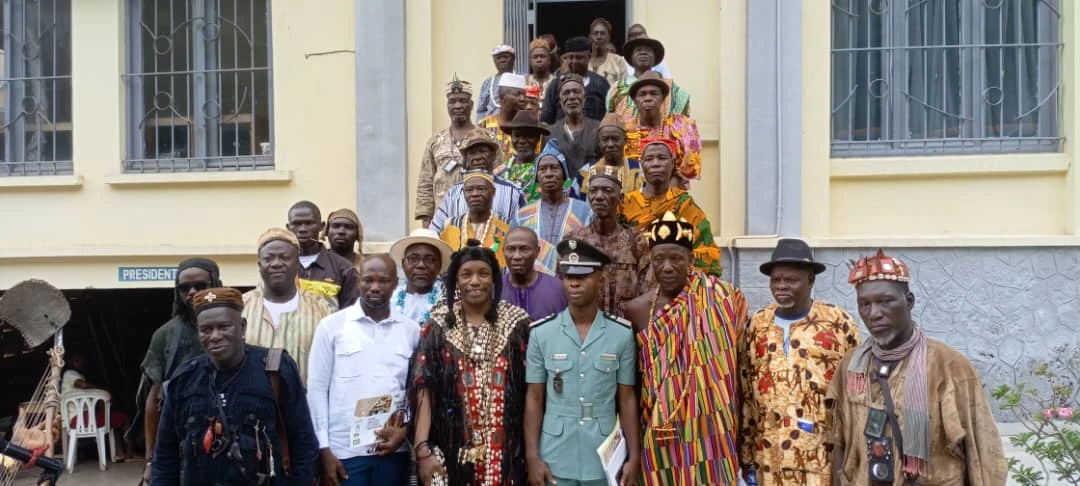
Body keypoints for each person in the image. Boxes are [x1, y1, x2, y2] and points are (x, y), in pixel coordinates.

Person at [826, 250, 1007, 486]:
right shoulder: (851, 366)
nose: (874, 314)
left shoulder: (949, 366)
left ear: (909, 301)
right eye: (865, 304)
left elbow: (983, 451)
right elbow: (838, 441)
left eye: (885, 301)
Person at [622, 212, 746, 486]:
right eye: (658, 259)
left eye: (676, 258)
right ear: (650, 262)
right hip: (659, 426)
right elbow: (633, 380)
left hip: (713, 429)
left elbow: (736, 370)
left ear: (691, 260)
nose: (667, 267)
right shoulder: (636, 310)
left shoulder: (720, 297)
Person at [151, 287, 317, 485]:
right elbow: (165, 454)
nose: (215, 336)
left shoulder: (275, 369)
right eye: (206, 330)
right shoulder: (184, 379)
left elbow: (303, 443)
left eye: (224, 327)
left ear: (243, 326)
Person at [408, 241, 533, 486]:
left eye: (483, 274)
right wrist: (422, 448)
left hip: (506, 452)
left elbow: (533, 392)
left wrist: (531, 453)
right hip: (452, 446)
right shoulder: (438, 324)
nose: (475, 281)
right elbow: (425, 389)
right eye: (466, 274)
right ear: (456, 280)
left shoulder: (518, 323)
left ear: (494, 279)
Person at [738, 238, 861, 486]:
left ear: (811, 280)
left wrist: (850, 456)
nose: (781, 286)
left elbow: (856, 393)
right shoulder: (757, 325)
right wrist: (747, 457)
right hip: (768, 460)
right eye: (776, 280)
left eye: (791, 280)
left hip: (821, 460)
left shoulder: (838, 323)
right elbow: (747, 394)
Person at [523, 238, 640, 486]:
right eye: (567, 276)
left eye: (584, 275)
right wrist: (533, 457)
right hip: (555, 455)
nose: (574, 283)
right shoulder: (541, 333)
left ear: (600, 278)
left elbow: (627, 397)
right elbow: (534, 397)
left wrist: (634, 455)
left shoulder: (621, 334)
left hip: (603, 458)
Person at [307, 254, 419, 486]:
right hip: (344, 452)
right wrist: (323, 448)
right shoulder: (332, 326)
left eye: (384, 280)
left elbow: (414, 390)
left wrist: (405, 431)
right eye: (368, 280)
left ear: (396, 283)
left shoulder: (410, 330)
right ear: (359, 281)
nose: (375, 287)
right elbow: (317, 389)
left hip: (391, 451)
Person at [133, 257, 222, 484]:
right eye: (184, 288)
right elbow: (153, 401)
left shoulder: (234, 328)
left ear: (215, 285)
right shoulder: (165, 335)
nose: (192, 292)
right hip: (181, 441)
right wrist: (151, 461)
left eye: (200, 286)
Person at [242, 227, 337, 383]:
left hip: (306, 404)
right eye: (269, 258)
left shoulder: (323, 309)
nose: (276, 264)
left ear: (297, 263)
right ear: (259, 265)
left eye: (284, 257)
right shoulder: (240, 307)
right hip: (251, 404)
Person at [620, 138, 722, 276]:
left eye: (662, 158)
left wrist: (674, 263)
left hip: (674, 281)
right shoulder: (626, 204)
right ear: (642, 164)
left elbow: (707, 251)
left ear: (673, 163)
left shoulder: (684, 204)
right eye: (649, 159)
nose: (655, 164)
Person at [564, 166, 649, 317]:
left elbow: (647, 293)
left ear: (621, 198)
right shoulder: (574, 241)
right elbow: (564, 290)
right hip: (585, 328)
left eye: (607, 190)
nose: (599, 196)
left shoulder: (637, 241)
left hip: (626, 328)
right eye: (593, 190)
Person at [431, 128, 526, 233]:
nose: (477, 157)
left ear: (493, 155)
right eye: (472, 153)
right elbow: (436, 230)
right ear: (466, 158)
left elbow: (524, 231)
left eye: (483, 151)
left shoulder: (512, 191)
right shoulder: (453, 193)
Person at [516, 143, 593, 273]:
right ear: (536, 177)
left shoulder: (584, 211)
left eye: (554, 168)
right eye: (543, 169)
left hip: (572, 283)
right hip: (534, 285)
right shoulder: (522, 215)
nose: (548, 174)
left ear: (564, 174)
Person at [416, 76, 476, 228]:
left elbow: (499, 175)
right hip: (442, 217)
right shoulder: (435, 141)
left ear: (471, 105)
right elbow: (425, 181)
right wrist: (426, 217)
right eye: (452, 101)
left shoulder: (486, 139)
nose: (457, 105)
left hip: (476, 215)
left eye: (462, 101)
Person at [624, 72, 702, 185]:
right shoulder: (625, 129)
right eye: (642, 94)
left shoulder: (682, 125)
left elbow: (691, 165)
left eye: (654, 93)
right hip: (633, 193)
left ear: (663, 98)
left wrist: (665, 194)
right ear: (635, 99)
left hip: (673, 192)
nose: (648, 98)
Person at [61, 353, 136, 460]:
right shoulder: (70, 373)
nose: (80, 363)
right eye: (76, 361)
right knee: (124, 418)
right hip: (80, 419)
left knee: (111, 419)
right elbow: (82, 385)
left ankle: (120, 453)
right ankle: (130, 453)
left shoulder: (75, 377)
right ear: (70, 363)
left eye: (81, 361)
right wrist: (102, 390)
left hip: (80, 419)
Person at [286, 200, 360, 308]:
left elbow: (350, 314)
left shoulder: (344, 269)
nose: (302, 229)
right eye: (297, 224)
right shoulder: (279, 265)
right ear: (288, 228)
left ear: (321, 226)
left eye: (309, 223)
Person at [439, 170, 513, 268]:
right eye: (469, 190)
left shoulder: (508, 225)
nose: (475, 194)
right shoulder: (450, 225)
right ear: (464, 193)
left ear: (493, 192)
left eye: (481, 189)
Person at [608, 37, 690, 124]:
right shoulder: (617, 87)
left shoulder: (671, 87)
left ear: (655, 57)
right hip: (626, 135)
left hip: (663, 135)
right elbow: (609, 118)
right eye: (638, 50)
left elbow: (683, 111)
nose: (643, 52)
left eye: (648, 50)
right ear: (631, 57)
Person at [501, 227, 568, 320]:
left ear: (537, 251)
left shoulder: (559, 289)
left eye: (524, 249)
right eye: (511, 249)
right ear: (503, 251)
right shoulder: (493, 289)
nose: (517, 256)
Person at [390, 228, 453, 326]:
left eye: (430, 260)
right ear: (403, 263)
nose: (421, 265)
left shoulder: (448, 302)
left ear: (439, 265)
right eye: (413, 259)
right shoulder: (389, 300)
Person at [541, 36, 610, 124]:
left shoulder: (601, 83)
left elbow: (609, 115)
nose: (574, 61)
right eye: (570, 57)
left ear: (589, 57)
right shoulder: (556, 84)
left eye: (579, 57)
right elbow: (546, 119)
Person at [548, 74, 601, 174]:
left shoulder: (599, 129)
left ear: (584, 98)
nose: (571, 97)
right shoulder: (551, 133)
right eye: (566, 93)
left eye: (576, 92)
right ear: (560, 101)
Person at [580, 113, 644, 195]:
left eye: (615, 139)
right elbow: (576, 204)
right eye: (605, 139)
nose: (610, 144)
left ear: (625, 140)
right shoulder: (585, 172)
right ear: (599, 142)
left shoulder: (640, 170)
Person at [495, 109, 548, 196]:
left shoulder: (547, 168)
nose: (522, 141)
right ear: (511, 138)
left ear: (538, 138)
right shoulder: (501, 172)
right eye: (517, 136)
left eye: (528, 136)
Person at [478, 73, 529, 159]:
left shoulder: (530, 127)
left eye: (524, 95)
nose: (522, 99)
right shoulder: (484, 126)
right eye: (517, 94)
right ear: (502, 97)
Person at [476, 45, 517, 120]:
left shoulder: (522, 79)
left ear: (513, 58)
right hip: (491, 128)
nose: (502, 60)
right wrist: (480, 128)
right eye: (498, 58)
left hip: (515, 126)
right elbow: (481, 110)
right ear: (494, 61)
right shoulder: (488, 83)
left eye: (506, 57)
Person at [587, 18, 628, 86]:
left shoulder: (618, 61)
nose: (599, 37)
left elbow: (624, 88)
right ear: (590, 37)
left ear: (608, 37)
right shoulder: (584, 61)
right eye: (595, 33)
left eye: (602, 33)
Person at [527, 38, 555, 107]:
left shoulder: (557, 82)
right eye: (535, 57)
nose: (539, 59)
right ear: (530, 61)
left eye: (542, 56)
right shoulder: (523, 83)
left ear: (549, 60)